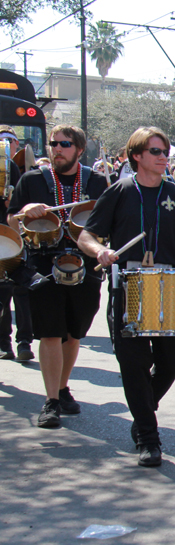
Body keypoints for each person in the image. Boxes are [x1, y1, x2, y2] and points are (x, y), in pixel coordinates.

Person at [77, 127, 175, 468]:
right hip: (127, 282)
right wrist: (100, 250)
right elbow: (86, 235)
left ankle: (145, 407)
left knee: (173, 357)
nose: (164, 157)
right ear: (137, 156)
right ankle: (148, 435)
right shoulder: (119, 191)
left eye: (165, 151)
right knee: (133, 363)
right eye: (156, 151)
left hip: (169, 284)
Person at [7, 125, 106, 427]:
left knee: (73, 333)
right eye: (53, 144)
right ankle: (50, 401)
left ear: (78, 148)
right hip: (42, 263)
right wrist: (25, 210)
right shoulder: (32, 180)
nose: (57, 149)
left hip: (85, 265)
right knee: (50, 331)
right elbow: (12, 221)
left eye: (64, 144)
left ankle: (62, 387)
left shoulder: (97, 181)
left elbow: (108, 222)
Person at [0, 125, 33, 363]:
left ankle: (23, 342)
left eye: (9, 141)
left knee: (19, 290)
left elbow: (16, 205)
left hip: (9, 235)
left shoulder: (10, 168)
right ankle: (4, 344)